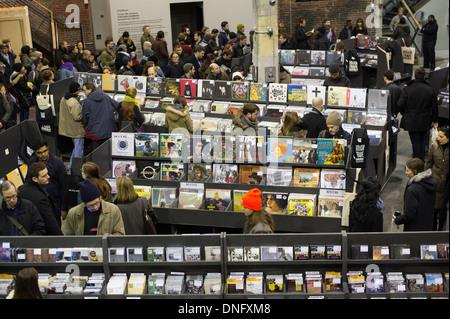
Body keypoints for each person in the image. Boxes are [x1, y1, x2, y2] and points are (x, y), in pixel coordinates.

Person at [398, 67, 438, 160]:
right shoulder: (430, 89)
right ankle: (421, 161)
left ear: (414, 76)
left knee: (415, 142)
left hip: (411, 119)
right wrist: (434, 120)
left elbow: (400, 104)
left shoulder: (408, 88)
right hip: (425, 119)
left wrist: (405, 113)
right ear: (424, 76)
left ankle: (416, 163)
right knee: (423, 141)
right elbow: (434, 107)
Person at [19, 162, 63, 235]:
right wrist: (60, 238)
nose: (48, 177)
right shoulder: (40, 198)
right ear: (35, 179)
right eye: (44, 176)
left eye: (47, 174)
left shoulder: (21, 189)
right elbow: (50, 222)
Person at [28, 140, 68, 220]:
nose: (43, 154)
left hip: (55, 203)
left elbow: (65, 186)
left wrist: (64, 208)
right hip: (38, 202)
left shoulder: (58, 163)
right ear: (35, 152)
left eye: (45, 151)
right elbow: (28, 180)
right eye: (40, 152)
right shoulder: (31, 162)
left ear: (48, 149)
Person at [394, 158, 437, 231]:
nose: (405, 173)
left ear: (415, 171)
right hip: (427, 226)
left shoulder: (412, 190)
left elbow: (409, 215)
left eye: (408, 170)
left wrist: (397, 219)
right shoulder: (431, 184)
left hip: (414, 230)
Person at [82, 81, 120, 150]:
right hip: (108, 129)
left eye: (84, 90)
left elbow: (85, 116)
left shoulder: (87, 101)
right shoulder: (106, 97)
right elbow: (118, 106)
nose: (83, 92)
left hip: (94, 131)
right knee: (107, 151)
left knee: (96, 153)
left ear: (90, 89)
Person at [425, 125, 449, 230]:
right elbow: (429, 163)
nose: (439, 138)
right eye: (438, 136)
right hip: (435, 184)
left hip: (446, 186)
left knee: (444, 212)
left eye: (442, 136)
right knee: (432, 213)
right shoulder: (434, 146)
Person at [58, 81, 85, 172]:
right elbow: (77, 116)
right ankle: (76, 168)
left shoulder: (64, 98)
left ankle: (70, 166)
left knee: (76, 147)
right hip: (76, 128)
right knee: (78, 148)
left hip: (68, 127)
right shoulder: (73, 102)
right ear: (76, 91)